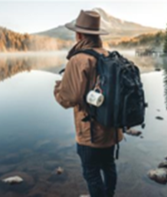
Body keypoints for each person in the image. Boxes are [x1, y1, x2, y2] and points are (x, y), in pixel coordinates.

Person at [53, 10, 123, 197]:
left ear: (79, 34)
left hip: (89, 133)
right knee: (109, 166)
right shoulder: (109, 56)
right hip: (112, 129)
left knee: (91, 172)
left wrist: (58, 89)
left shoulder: (78, 60)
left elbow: (68, 99)